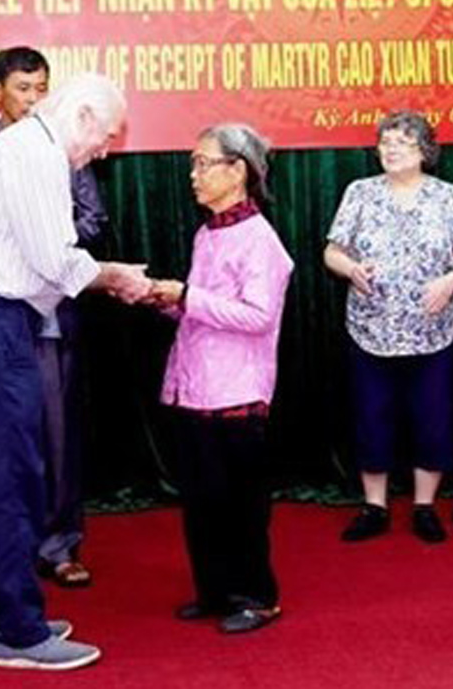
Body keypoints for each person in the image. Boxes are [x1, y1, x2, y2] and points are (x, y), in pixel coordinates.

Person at [0, 72, 151, 670]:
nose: (103, 151)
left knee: (11, 473)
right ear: (80, 115)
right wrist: (117, 277)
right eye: (104, 137)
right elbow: (53, 259)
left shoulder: (26, 148)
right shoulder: (36, 155)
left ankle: (3, 614)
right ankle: (18, 635)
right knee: (9, 477)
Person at [0, 46, 106, 588]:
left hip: (50, 315)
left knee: (57, 434)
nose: (34, 99)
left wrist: (54, 235)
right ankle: (11, 586)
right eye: (23, 89)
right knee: (5, 451)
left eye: (43, 88)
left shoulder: (64, 153)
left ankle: (59, 544)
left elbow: (90, 221)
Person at [149, 123, 292, 634]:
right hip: (195, 386)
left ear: (239, 171)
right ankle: (215, 591)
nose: (194, 175)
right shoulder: (207, 233)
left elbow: (257, 316)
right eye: (193, 164)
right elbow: (209, 310)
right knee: (203, 501)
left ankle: (258, 596)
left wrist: (185, 296)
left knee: (241, 507)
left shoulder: (260, 240)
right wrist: (165, 301)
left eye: (204, 164)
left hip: (237, 392)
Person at [324, 111, 453, 544]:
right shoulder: (360, 193)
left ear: (424, 151)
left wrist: (450, 281)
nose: (390, 149)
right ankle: (374, 505)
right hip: (370, 329)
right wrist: (351, 268)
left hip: (432, 330)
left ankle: (425, 506)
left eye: (402, 143)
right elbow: (331, 253)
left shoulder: (449, 197)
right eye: (385, 142)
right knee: (371, 416)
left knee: (432, 416)